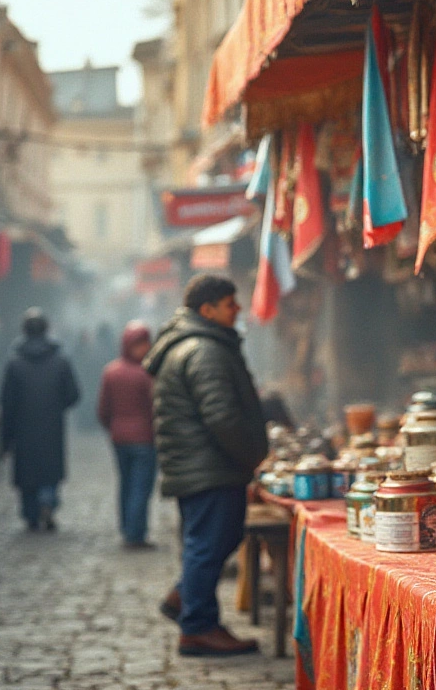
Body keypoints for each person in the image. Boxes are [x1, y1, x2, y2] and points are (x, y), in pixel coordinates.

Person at [144, 274, 266, 656]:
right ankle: (197, 627)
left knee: (215, 541)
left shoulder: (200, 344)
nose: (238, 309)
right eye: (231, 303)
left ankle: (187, 600)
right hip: (209, 467)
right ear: (207, 310)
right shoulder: (204, 349)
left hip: (203, 466)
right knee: (207, 545)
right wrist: (253, 455)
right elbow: (222, 417)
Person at [0, 308, 80, 532]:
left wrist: (5, 440)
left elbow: (7, 403)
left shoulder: (14, 363)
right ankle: (47, 502)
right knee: (49, 471)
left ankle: (31, 514)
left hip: (23, 428)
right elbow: (73, 394)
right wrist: (56, 407)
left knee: (27, 475)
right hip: (51, 426)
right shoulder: (60, 361)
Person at [97, 321, 157, 549]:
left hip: (119, 438)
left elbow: (103, 409)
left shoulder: (111, 372)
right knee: (140, 487)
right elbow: (154, 407)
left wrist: (112, 428)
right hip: (144, 439)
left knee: (127, 484)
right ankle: (135, 533)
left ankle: (128, 528)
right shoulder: (147, 373)